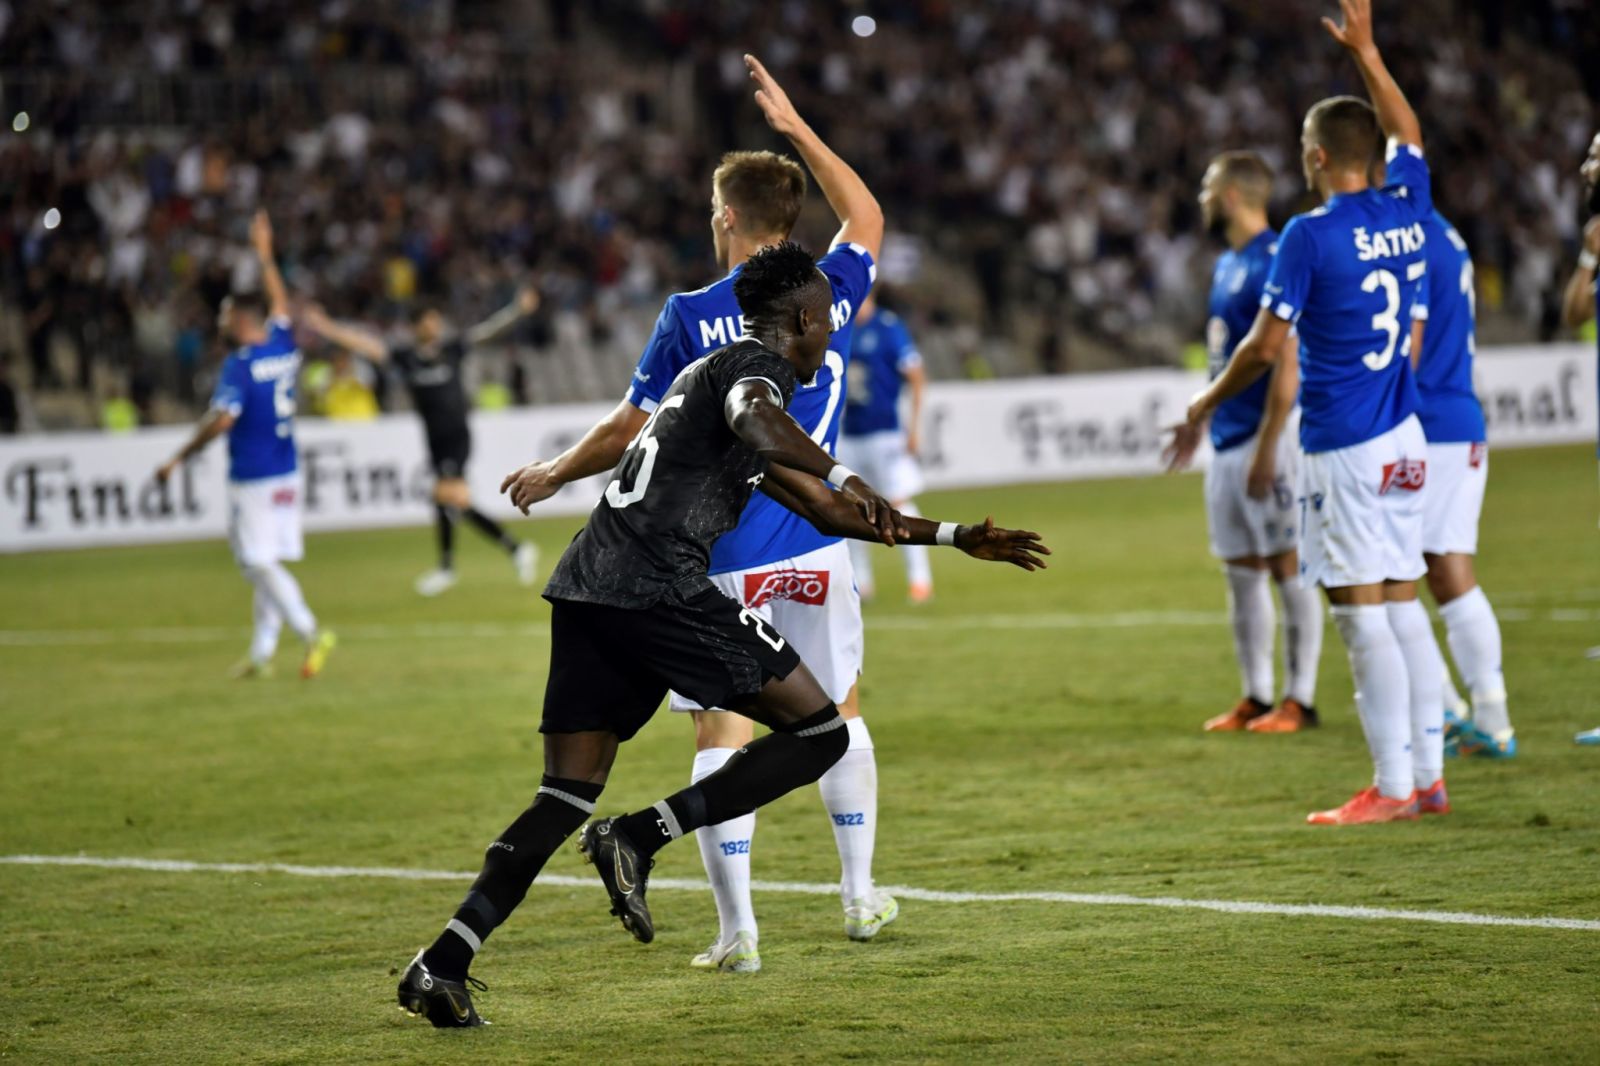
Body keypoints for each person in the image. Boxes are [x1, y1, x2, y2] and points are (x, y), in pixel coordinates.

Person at [396, 242, 1050, 1028]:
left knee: (562, 795)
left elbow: (824, 511)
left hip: (589, 587)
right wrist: (846, 470)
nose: (832, 331)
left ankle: (441, 964)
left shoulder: (704, 380)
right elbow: (760, 422)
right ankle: (639, 834)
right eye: (826, 318)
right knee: (821, 732)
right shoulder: (752, 372)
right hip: (658, 587)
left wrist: (950, 536)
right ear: (802, 320)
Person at [499, 54, 893, 971]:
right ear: (790, 221)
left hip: (715, 558)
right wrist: (796, 127)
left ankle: (737, 932)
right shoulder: (824, 297)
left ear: (725, 217)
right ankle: (859, 896)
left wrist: (557, 471)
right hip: (816, 540)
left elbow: (630, 425)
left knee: (723, 729)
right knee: (839, 709)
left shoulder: (690, 315)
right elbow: (869, 217)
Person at [1184, 0, 1444, 825]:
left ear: (1320, 156)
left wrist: (1204, 400)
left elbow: (1265, 347)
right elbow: (1409, 132)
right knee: (1402, 604)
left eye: (1305, 146)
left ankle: (1393, 788)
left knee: (1361, 617)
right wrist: (1368, 52)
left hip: (1345, 445)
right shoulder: (1408, 208)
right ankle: (1428, 777)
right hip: (1406, 436)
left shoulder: (1308, 235)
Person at [1165, 152, 1324, 734]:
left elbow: (1285, 359)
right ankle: (1256, 695)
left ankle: (1299, 700)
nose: (1202, 197)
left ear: (1232, 195)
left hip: (1267, 441)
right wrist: (1201, 421)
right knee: (1241, 571)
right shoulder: (1228, 263)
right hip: (1227, 440)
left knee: (1287, 566)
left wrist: (1268, 444)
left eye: (1209, 187)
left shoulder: (1274, 256)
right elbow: (1226, 362)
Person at [155, 210, 336, 680]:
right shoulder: (283, 344)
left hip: (253, 475)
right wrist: (265, 253)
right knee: (267, 562)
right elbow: (279, 300)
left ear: (237, 320)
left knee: (255, 561)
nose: (219, 320)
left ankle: (311, 630)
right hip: (287, 471)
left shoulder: (239, 364)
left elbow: (222, 420)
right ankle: (262, 651)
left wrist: (179, 457)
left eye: (223, 314)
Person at [304, 290, 541, 596]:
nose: (434, 326)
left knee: (449, 497)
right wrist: (326, 327)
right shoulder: (406, 358)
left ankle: (468, 563)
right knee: (448, 501)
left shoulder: (452, 349)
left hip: (456, 436)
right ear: (416, 326)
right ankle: (501, 553)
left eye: (436, 321)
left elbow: (488, 331)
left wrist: (518, 310)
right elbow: (365, 345)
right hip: (434, 441)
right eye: (429, 321)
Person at [1407, 207, 1514, 758]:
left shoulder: (1412, 237)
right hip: (1440, 424)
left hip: (1436, 425)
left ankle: (1486, 718)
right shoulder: (1441, 232)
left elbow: (1410, 344)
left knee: (1441, 572)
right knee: (1412, 575)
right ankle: (1456, 712)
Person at [839, 290, 935, 604]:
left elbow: (916, 376)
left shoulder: (888, 327)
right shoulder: (840, 328)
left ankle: (920, 580)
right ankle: (861, 584)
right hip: (850, 433)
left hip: (885, 433)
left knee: (898, 502)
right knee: (853, 507)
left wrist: (914, 427)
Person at [1562, 131, 1600, 746]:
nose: (1586, 166)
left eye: (1596, 155)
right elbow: (1573, 315)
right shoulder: (1596, 233)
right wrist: (1590, 260)